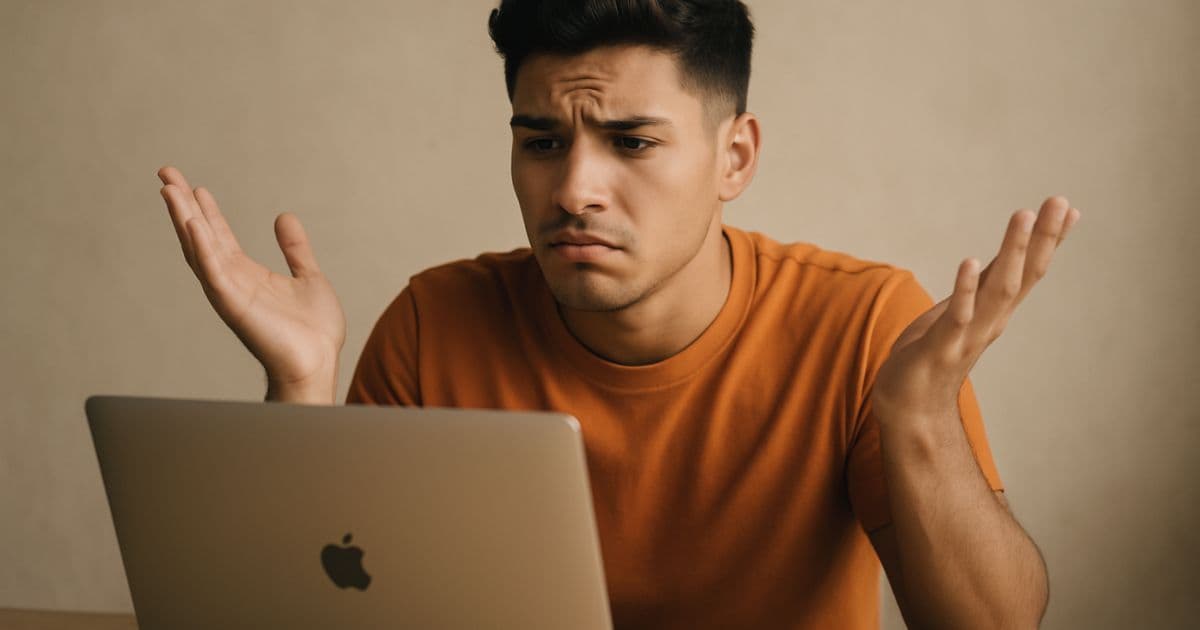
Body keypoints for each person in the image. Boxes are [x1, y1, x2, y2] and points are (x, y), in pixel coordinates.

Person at [156, 1, 1079, 627]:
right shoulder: (435, 322)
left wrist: (916, 421)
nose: (575, 189)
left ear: (736, 157)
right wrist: (300, 386)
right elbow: (320, 616)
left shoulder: (865, 322)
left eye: (631, 141)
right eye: (543, 142)